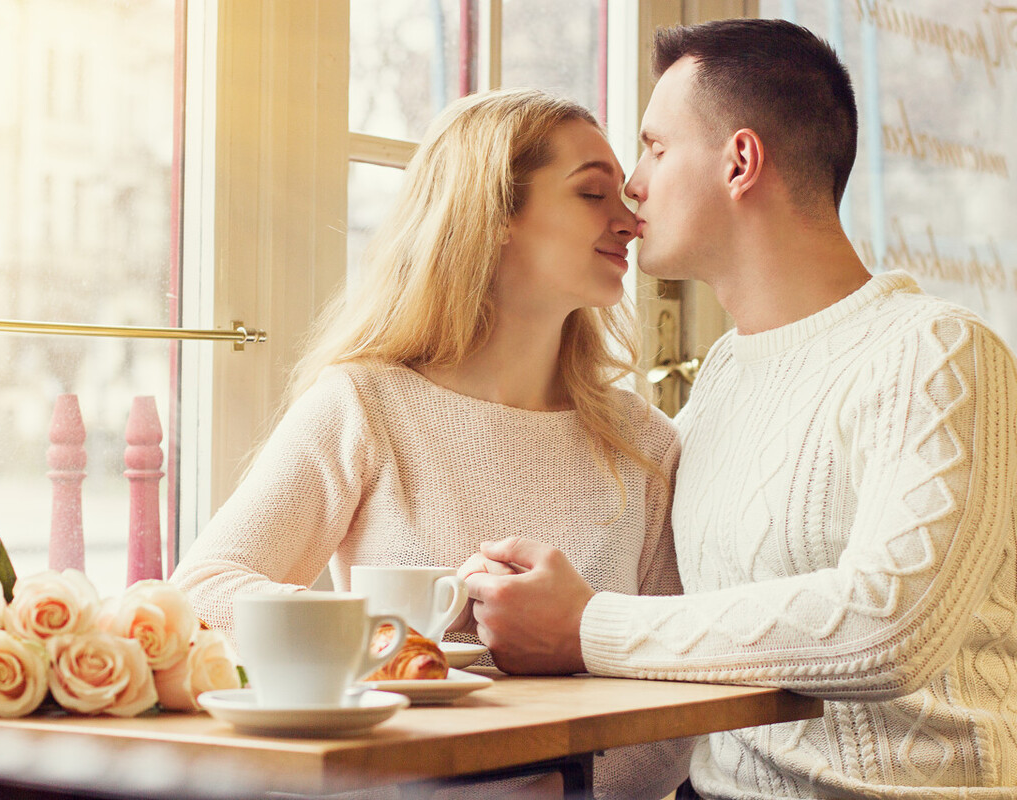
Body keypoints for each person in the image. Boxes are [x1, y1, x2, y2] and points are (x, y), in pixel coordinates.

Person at [463, 18, 1017, 799]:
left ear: (741, 161)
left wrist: (588, 627)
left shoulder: (938, 352)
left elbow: (892, 626)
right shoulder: (723, 376)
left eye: (656, 148)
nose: (633, 186)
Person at [171, 87, 693, 798]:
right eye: (592, 193)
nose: (629, 220)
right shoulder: (364, 404)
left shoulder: (644, 443)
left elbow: (677, 701)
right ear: (497, 214)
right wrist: (394, 638)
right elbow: (202, 592)